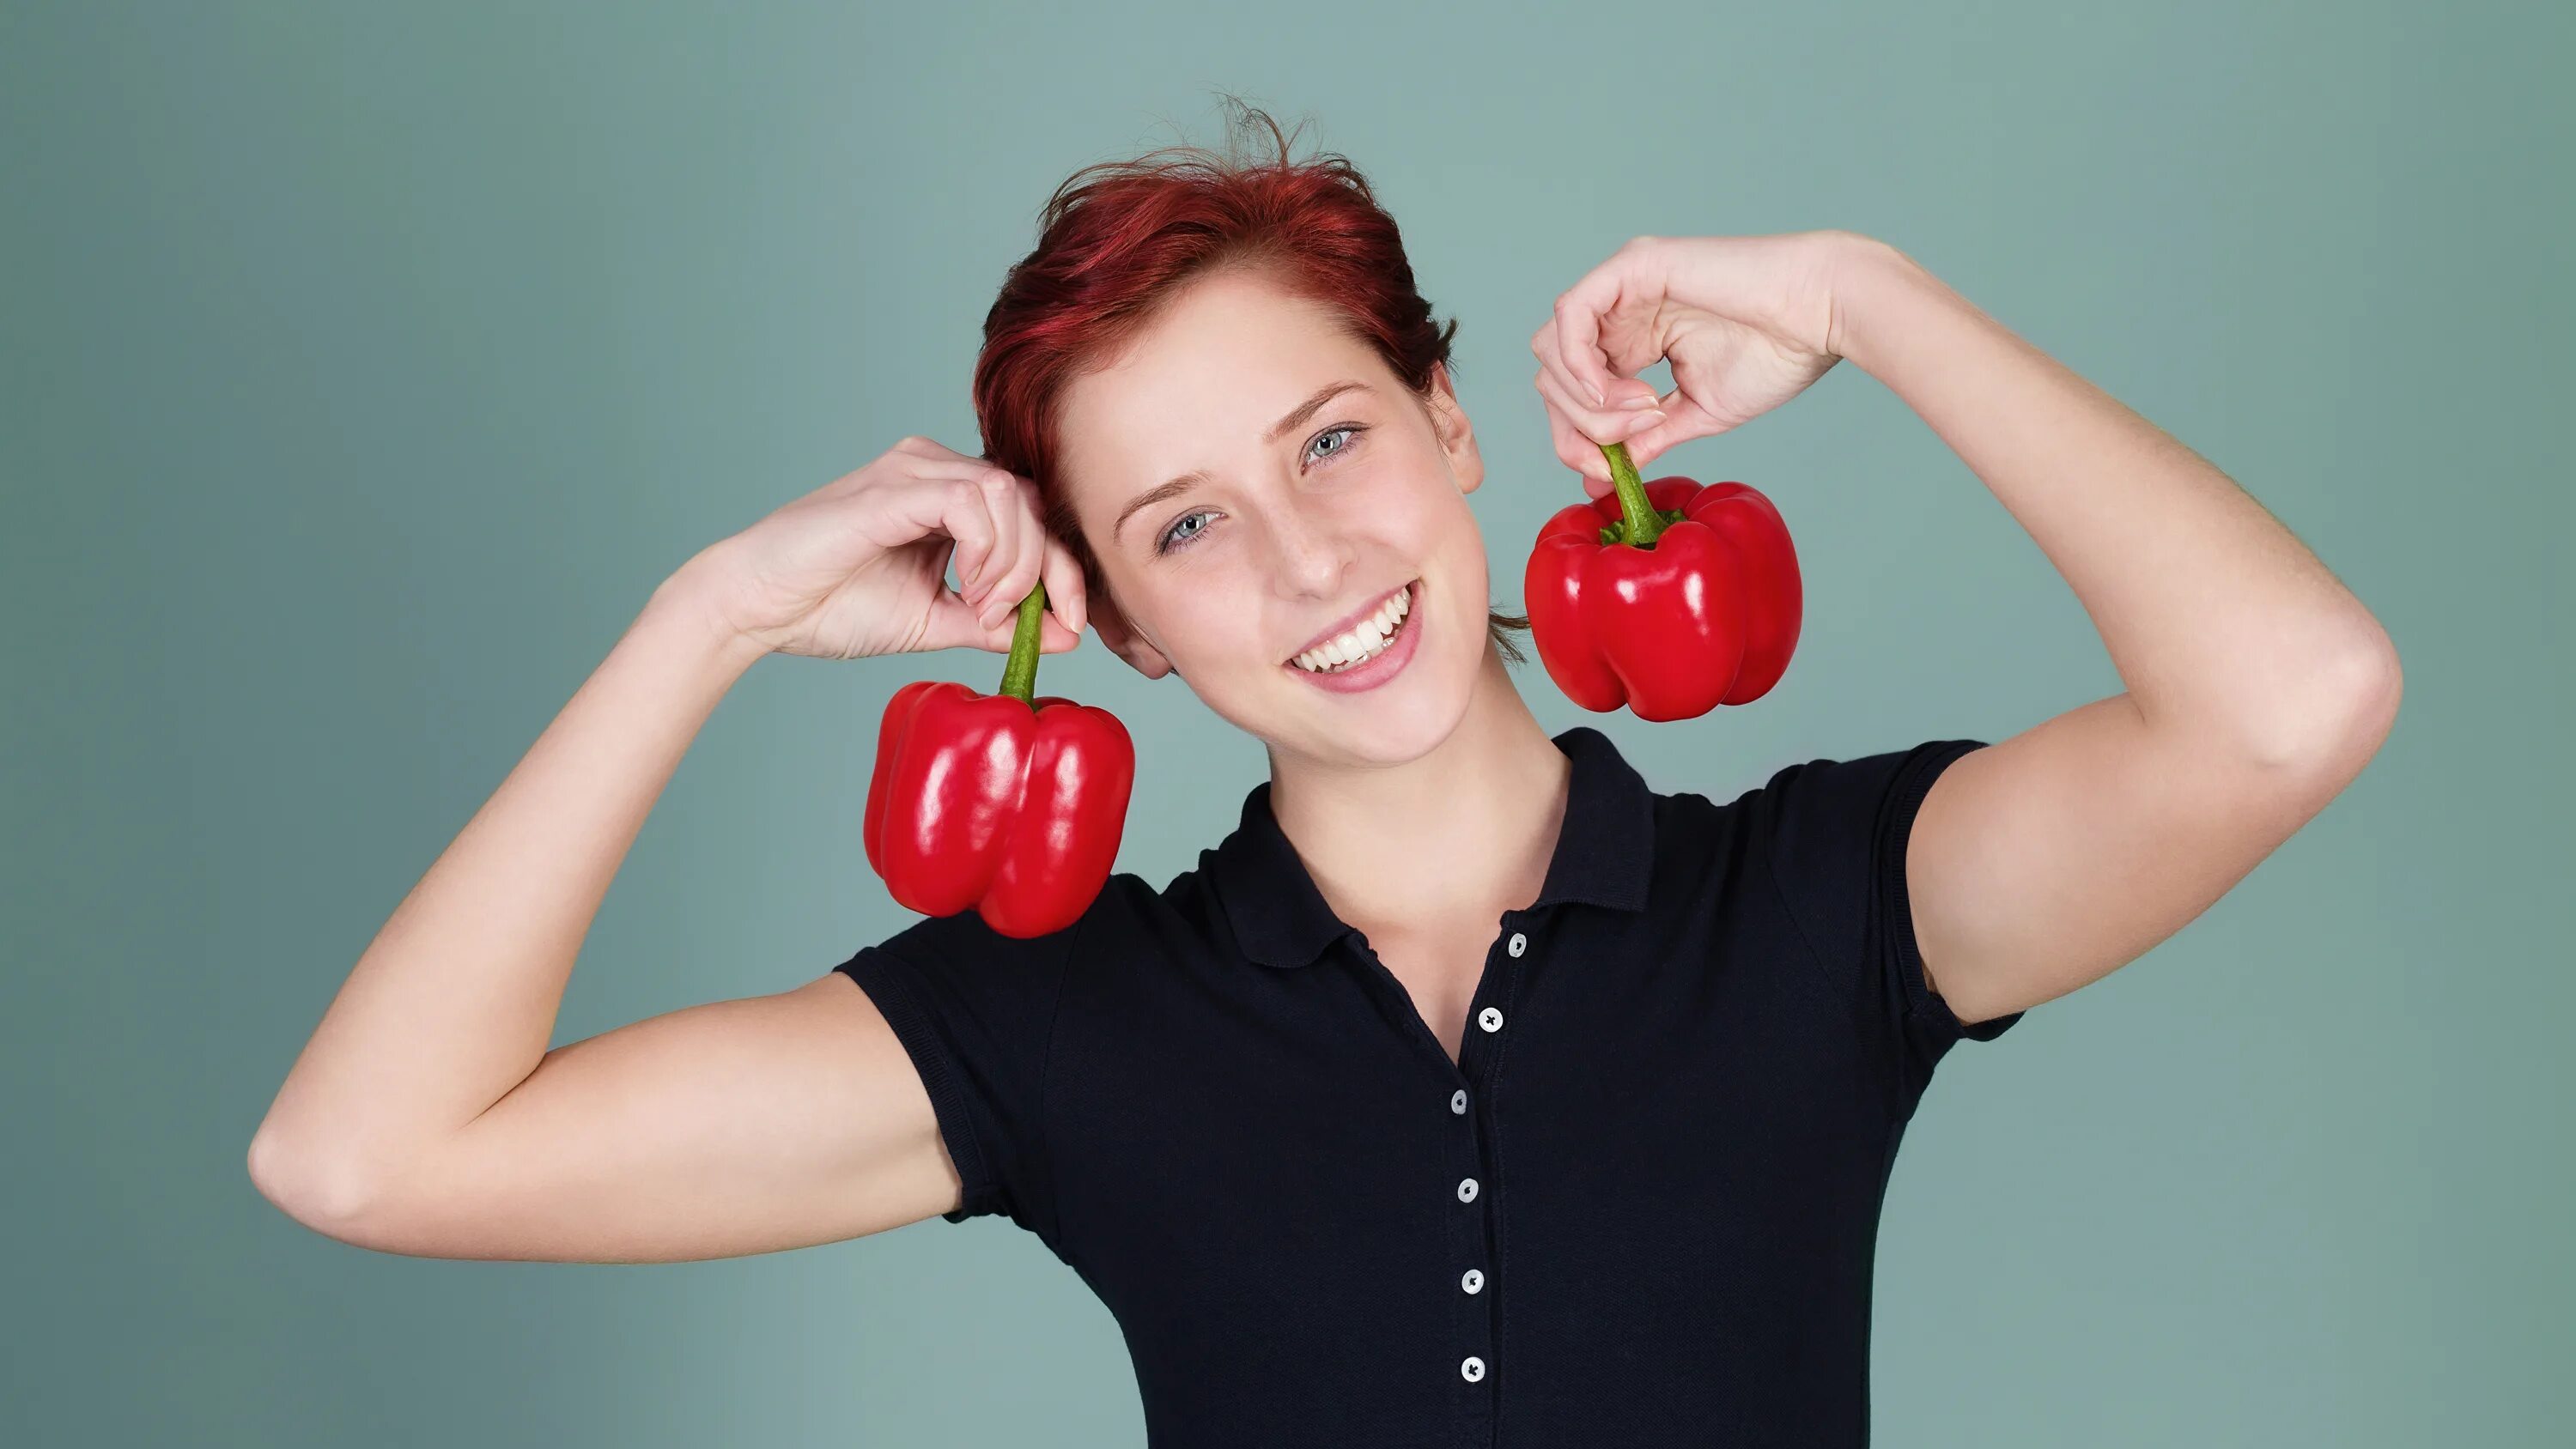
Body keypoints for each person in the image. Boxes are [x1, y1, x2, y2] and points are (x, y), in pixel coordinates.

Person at [247, 106, 2401, 1446]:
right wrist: (706, 611)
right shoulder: (1069, 1026)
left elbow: (2293, 698)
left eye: (1333, 440)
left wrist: (1870, 296)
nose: (1304, 564)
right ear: (1111, 618)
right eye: (1183, 526)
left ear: (1451, 423)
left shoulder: (1822, 910)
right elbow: (368, 1157)